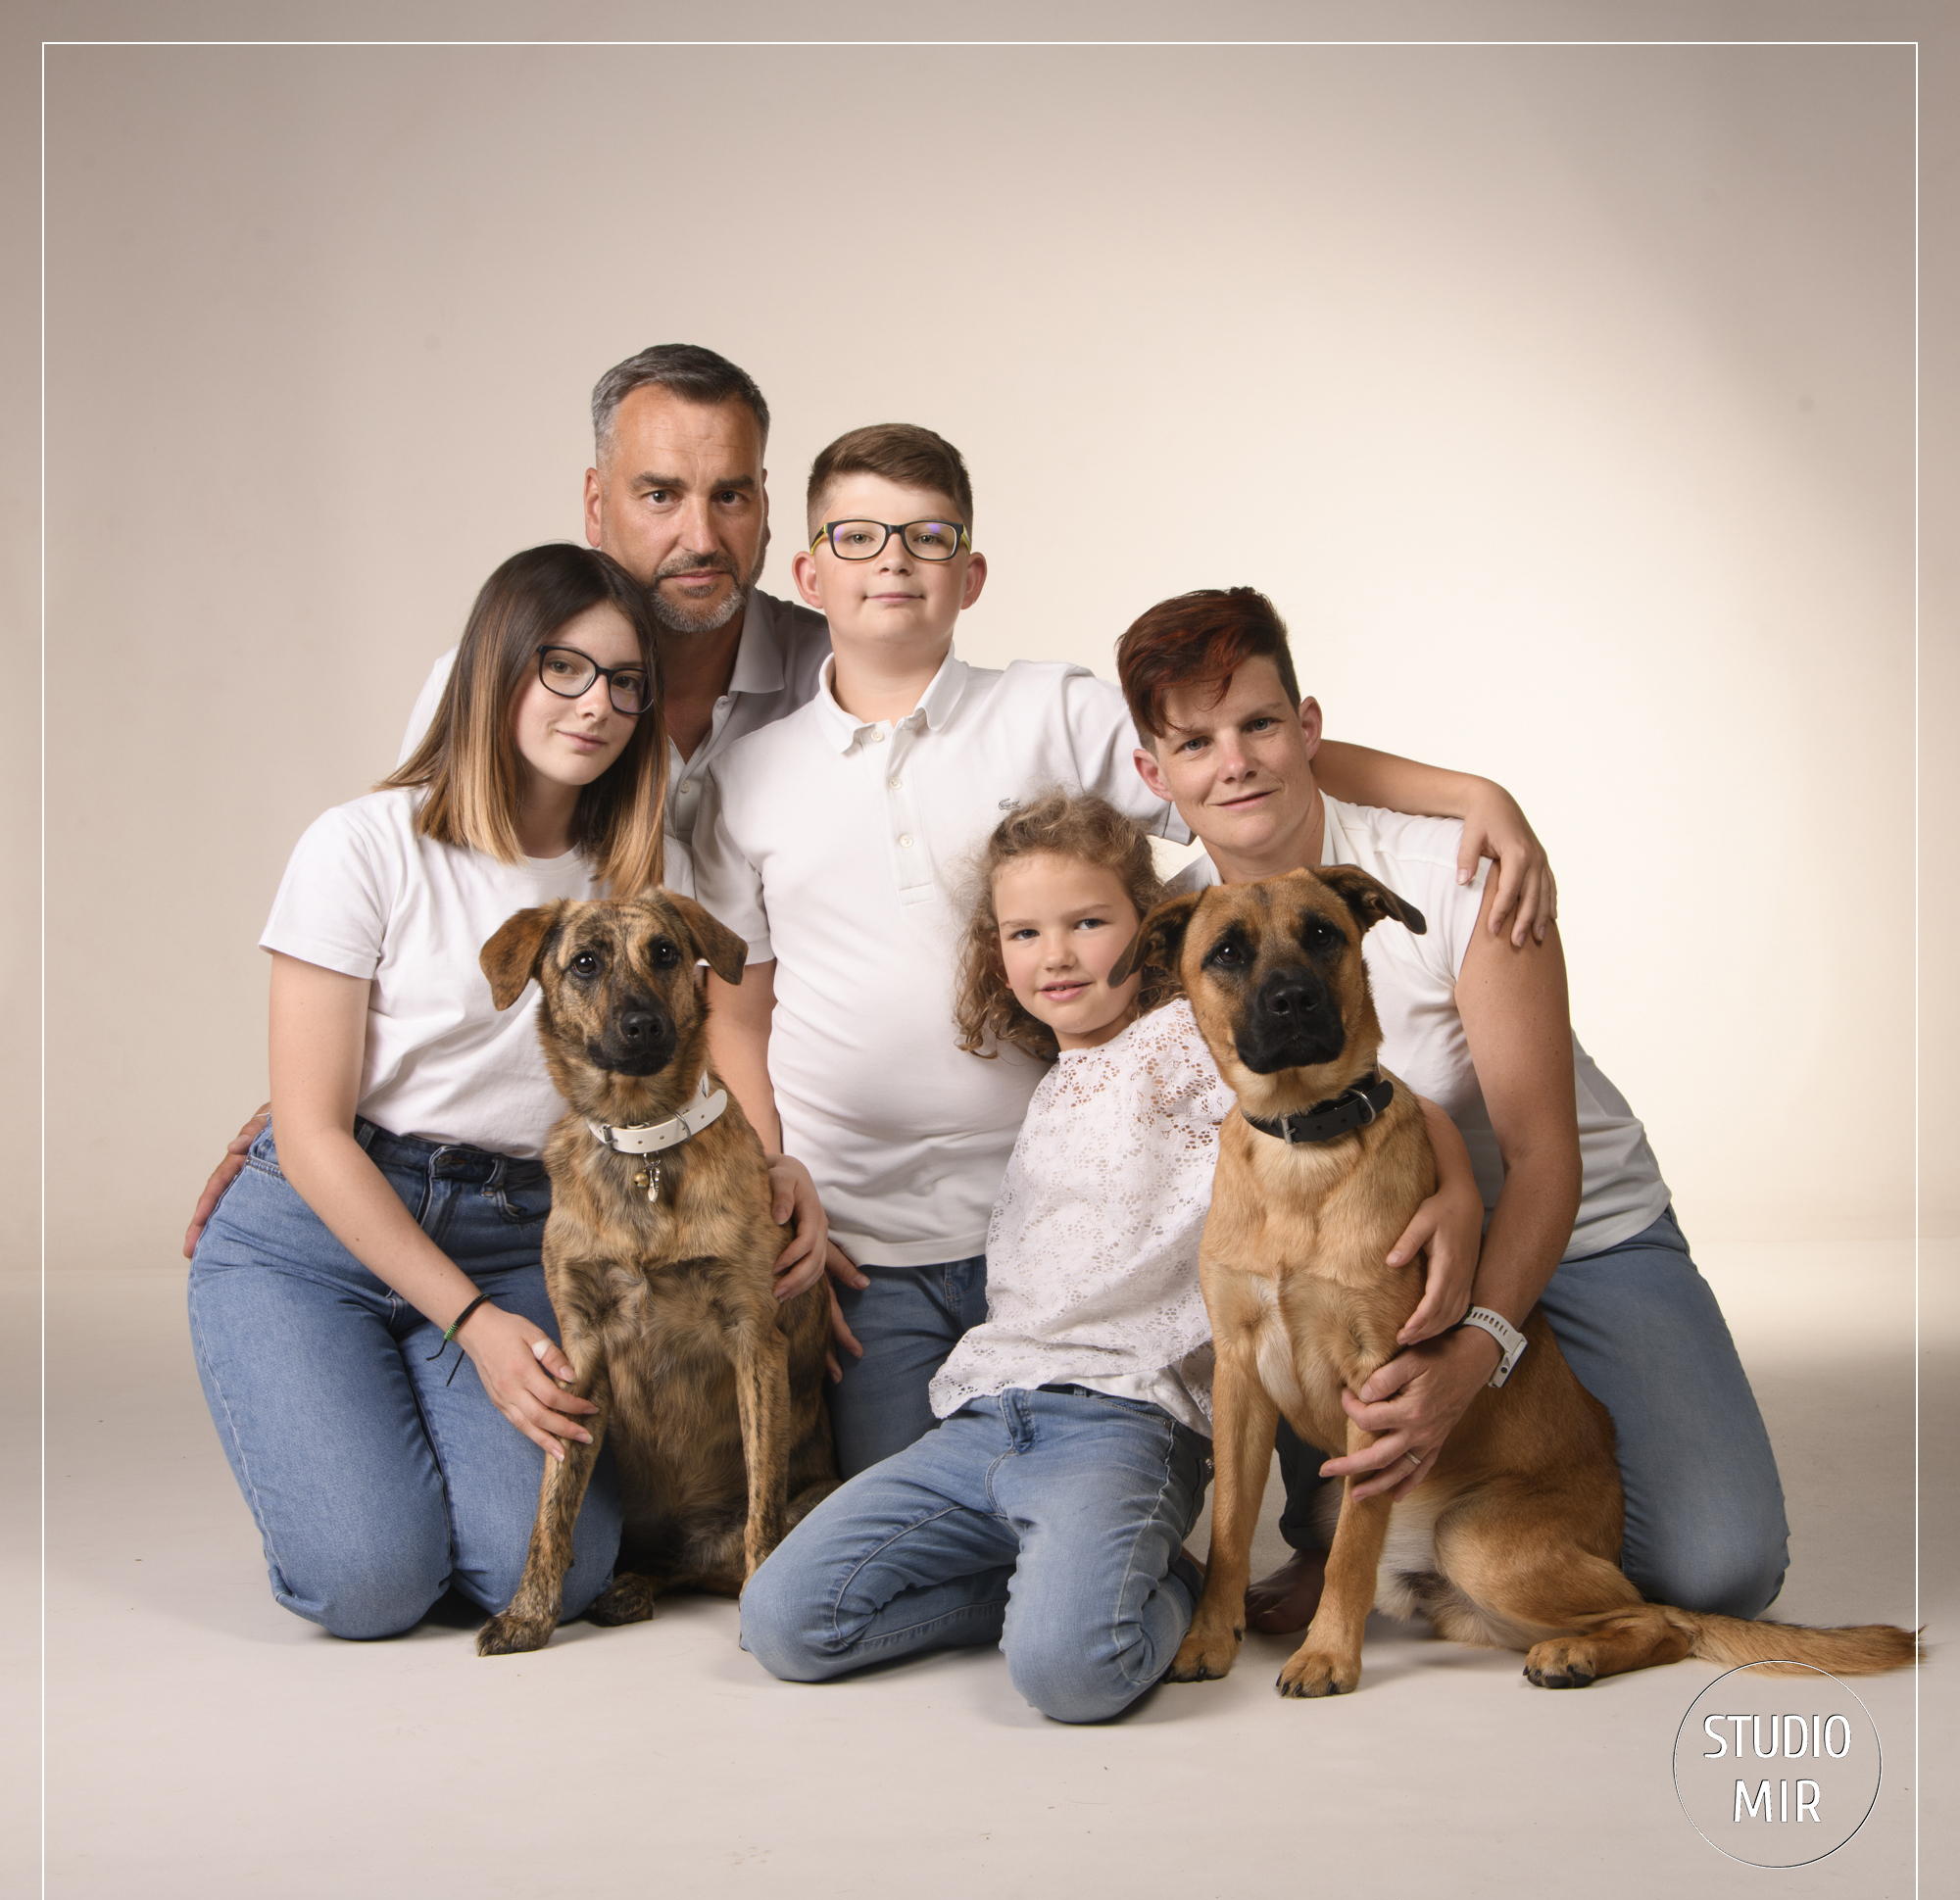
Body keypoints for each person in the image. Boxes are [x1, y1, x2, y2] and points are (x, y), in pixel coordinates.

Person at [694, 423, 1554, 1479]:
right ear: (807, 567)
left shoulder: (1048, 710)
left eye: (925, 535)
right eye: (858, 535)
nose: (892, 559)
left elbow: (1231, 758)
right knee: (919, 1516)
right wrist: (770, 1181)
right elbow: (739, 1013)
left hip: (1074, 1214)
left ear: (970, 571)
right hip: (863, 1234)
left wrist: (1470, 794)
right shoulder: (743, 780)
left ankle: (1207, 1531)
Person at [1118, 586, 1788, 1626]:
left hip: (1576, 1226)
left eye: (1259, 724)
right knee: (1302, 1272)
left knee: (1716, 1569)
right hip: (1372, 1232)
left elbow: (1541, 1159)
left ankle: (1447, 1522)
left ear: (1307, 729)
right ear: (1154, 778)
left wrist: (1473, 1351)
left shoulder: (1453, 871)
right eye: (1196, 744)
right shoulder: (1193, 923)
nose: (1234, 762)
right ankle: (1349, 1535)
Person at [186, 544, 815, 1638]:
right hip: (321, 1233)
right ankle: (346, 1444)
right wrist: (472, 1326)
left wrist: (773, 1156)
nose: (598, 705)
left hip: (516, 1224)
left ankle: (398, 1446)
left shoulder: (635, 869)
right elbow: (312, 1128)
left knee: (570, 1577)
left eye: (626, 682)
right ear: (494, 669)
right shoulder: (364, 844)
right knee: (373, 1582)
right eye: (563, 668)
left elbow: (721, 1031)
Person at [740, 793, 1481, 1722]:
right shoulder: (1041, 1081)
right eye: (1024, 933)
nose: (1057, 955)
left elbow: (1360, 1096)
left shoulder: (1188, 1045)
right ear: (994, 953)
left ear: (1150, 942)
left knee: (1072, 1675)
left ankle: (1143, 1586)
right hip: (990, 1412)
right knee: (781, 1622)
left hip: (1126, 1417)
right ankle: (1066, 1579)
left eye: (1090, 924)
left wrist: (1454, 1186)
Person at [181, 342, 832, 1254]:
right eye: (659, 494)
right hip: (558, 1157)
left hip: (777, 1138)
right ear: (596, 506)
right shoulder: (491, 683)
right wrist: (314, 1118)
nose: (701, 535)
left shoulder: (836, 687)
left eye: (730, 494)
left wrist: (772, 1170)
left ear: (765, 503)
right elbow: (426, 908)